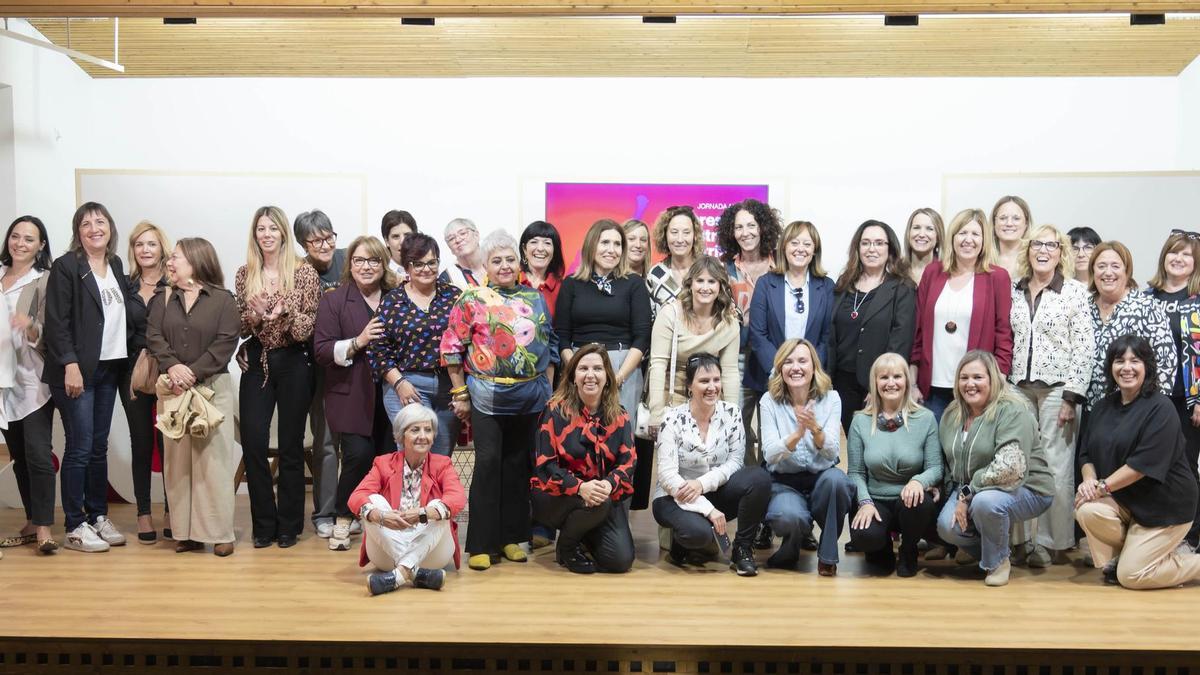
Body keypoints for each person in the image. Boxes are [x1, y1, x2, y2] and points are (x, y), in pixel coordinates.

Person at [441, 230, 559, 571]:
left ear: (518, 263)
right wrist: (460, 392)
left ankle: (511, 538)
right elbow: (451, 347)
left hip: (530, 399)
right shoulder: (472, 299)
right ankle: (481, 543)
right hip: (486, 398)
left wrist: (547, 389)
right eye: (497, 261)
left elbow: (549, 346)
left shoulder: (534, 297)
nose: (504, 266)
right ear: (486, 265)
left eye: (510, 259)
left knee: (518, 467)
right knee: (489, 465)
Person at [1075, 334, 1200, 589]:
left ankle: (1149, 563)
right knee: (1087, 510)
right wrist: (1089, 481)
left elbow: (1141, 465)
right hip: (1128, 502)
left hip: (1166, 506)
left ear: (1147, 367)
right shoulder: (1102, 407)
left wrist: (1101, 488)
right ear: (1111, 367)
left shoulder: (1161, 408)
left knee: (1131, 577)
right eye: (1120, 361)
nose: (1127, 368)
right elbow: (1086, 454)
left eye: (1135, 361)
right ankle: (1133, 556)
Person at [44, 202, 132, 552]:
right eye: (86, 223)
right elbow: (57, 321)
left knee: (98, 446)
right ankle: (75, 524)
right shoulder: (67, 267)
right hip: (76, 370)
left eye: (100, 221)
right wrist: (70, 364)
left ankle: (97, 515)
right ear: (77, 231)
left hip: (109, 368)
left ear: (110, 227)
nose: (94, 227)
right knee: (79, 447)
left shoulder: (116, 264)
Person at [145, 237, 240, 556]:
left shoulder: (224, 300)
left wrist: (192, 372)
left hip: (213, 389)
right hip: (173, 389)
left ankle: (220, 533)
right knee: (178, 465)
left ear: (197, 262)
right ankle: (186, 534)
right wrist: (173, 368)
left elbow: (226, 342)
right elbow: (154, 336)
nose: (169, 263)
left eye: (176, 258)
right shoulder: (163, 297)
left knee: (213, 463)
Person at [1008, 225, 1095, 567]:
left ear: (1062, 253)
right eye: (1037, 245)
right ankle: (1019, 541)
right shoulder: (1015, 290)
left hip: (1060, 389)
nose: (1043, 250)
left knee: (1056, 468)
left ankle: (1053, 542)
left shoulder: (1074, 292)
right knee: (1018, 463)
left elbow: (1084, 347)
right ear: (1028, 251)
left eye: (1051, 245)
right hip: (1018, 387)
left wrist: (1073, 396)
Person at [235, 205, 321, 549]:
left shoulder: (304, 273)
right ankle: (263, 525)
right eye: (260, 228)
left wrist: (286, 313)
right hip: (257, 361)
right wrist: (254, 317)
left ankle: (289, 525)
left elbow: (307, 329)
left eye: (272, 228)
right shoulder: (245, 274)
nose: (266, 234)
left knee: (290, 445)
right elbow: (240, 326)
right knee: (254, 443)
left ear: (283, 232)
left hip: (294, 361)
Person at [935, 350, 1055, 587]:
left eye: (978, 377)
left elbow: (1010, 468)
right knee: (946, 528)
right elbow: (949, 463)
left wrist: (968, 493)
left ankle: (998, 561)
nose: (970, 384)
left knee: (986, 503)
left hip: (1027, 487)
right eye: (964, 377)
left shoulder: (1013, 410)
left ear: (992, 379)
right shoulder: (951, 414)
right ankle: (987, 546)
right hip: (971, 489)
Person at [314, 236, 399, 552]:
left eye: (374, 260)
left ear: (383, 264)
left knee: (386, 458)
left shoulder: (396, 297)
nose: (366, 267)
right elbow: (321, 350)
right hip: (350, 393)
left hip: (390, 394)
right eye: (360, 260)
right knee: (358, 456)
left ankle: (379, 522)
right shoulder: (334, 301)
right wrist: (358, 340)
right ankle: (342, 518)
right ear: (350, 264)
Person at [652, 352, 771, 576]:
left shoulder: (732, 413)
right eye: (704, 381)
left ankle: (742, 549)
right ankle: (682, 542)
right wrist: (708, 509)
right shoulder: (671, 419)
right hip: (674, 497)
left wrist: (701, 484)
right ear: (689, 386)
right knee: (699, 535)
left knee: (759, 478)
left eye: (716, 380)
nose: (712, 387)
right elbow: (667, 477)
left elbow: (736, 461)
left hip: (713, 490)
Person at [530, 344, 637, 574]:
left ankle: (584, 534)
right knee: (600, 504)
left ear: (607, 377)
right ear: (573, 376)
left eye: (598, 369)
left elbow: (628, 463)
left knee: (620, 561)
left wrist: (608, 484)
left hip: (602, 495)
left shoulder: (620, 415)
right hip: (558, 497)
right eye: (583, 368)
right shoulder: (554, 411)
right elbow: (545, 466)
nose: (591, 375)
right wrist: (580, 488)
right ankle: (567, 547)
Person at [349, 403, 465, 596]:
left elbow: (457, 498)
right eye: (415, 430)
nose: (423, 436)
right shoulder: (383, 463)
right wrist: (382, 517)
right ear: (401, 436)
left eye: (428, 430)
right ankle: (415, 573)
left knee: (438, 506)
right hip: (387, 552)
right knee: (372, 502)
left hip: (432, 553)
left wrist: (422, 514)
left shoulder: (442, 464)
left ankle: (397, 576)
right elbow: (356, 497)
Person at [758, 339, 852, 576]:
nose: (796, 367)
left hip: (822, 480)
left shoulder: (831, 399)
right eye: (788, 362)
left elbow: (832, 452)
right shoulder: (768, 401)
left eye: (802, 361)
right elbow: (769, 454)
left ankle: (828, 555)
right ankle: (790, 548)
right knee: (789, 516)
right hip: (784, 483)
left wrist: (814, 428)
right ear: (780, 368)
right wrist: (797, 434)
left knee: (838, 482)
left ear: (813, 367)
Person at [910, 208, 1013, 422]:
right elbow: (918, 332)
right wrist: (912, 383)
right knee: (934, 455)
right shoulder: (933, 272)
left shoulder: (997, 277)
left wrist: (999, 378)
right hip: (933, 388)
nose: (968, 240)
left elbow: (1003, 332)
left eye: (975, 234)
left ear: (984, 240)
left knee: (971, 453)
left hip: (976, 388)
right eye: (962, 233)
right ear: (952, 238)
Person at [847, 353, 941, 577]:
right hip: (876, 499)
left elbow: (936, 468)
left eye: (897, 376)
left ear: (907, 381)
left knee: (920, 503)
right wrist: (865, 502)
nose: (891, 383)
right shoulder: (860, 420)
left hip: (909, 501)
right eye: (884, 377)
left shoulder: (926, 418)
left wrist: (919, 481)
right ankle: (882, 549)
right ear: (875, 383)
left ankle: (909, 549)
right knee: (865, 537)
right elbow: (856, 472)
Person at [369, 233, 462, 457]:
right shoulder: (392, 300)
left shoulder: (453, 296)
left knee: (441, 457)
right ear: (407, 266)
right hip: (407, 386)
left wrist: (462, 392)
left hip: (448, 387)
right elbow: (378, 349)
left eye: (432, 262)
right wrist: (399, 383)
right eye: (418, 264)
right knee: (415, 454)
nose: (426, 269)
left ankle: (434, 495)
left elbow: (465, 341)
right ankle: (410, 494)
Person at [555, 219, 651, 432]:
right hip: (579, 366)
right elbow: (561, 336)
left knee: (620, 439)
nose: (612, 250)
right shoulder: (571, 284)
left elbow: (642, 336)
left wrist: (618, 378)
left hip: (623, 367)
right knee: (578, 438)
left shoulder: (634, 284)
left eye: (617, 244)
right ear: (592, 245)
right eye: (605, 242)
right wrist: (577, 371)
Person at [0, 216, 56, 553]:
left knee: (37, 454)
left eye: (29, 239)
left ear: (41, 246)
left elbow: (49, 331)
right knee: (19, 455)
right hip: (2, 382)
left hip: (32, 379)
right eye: (16, 236)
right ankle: (33, 518)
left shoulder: (44, 281)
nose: (20, 243)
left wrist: (30, 325)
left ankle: (45, 529)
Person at [828, 220, 916, 433]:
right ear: (857, 248)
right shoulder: (843, 283)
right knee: (853, 441)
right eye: (865, 243)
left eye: (879, 243)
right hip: (842, 382)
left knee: (877, 444)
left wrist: (880, 384)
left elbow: (900, 339)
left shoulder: (901, 287)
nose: (872, 249)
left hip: (878, 383)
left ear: (890, 248)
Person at [1144, 229, 1200, 548]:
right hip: (1152, 400)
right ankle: (1157, 533)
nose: (1178, 259)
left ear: (1195, 263)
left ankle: (1190, 536)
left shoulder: (1198, 300)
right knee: (1153, 466)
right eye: (1173, 252)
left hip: (1187, 400)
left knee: (1186, 467)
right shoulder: (1146, 297)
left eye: (1187, 255)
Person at [647, 256, 740, 441]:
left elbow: (730, 372)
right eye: (700, 280)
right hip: (672, 393)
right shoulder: (670, 314)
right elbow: (657, 364)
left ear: (720, 286)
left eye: (711, 281)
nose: (705, 287)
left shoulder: (728, 323)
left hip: (709, 395)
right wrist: (656, 413)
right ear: (690, 284)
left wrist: (731, 415)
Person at [294, 209, 345, 540]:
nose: (325, 244)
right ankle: (324, 512)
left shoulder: (348, 259)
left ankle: (353, 509)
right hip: (319, 368)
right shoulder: (299, 272)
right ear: (303, 244)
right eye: (316, 240)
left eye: (329, 236)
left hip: (355, 364)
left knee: (357, 444)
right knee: (326, 443)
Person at [746, 220, 834, 409]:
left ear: (814, 251)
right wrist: (779, 370)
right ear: (784, 247)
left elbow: (827, 337)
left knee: (809, 435)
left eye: (807, 244)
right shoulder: (765, 283)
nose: (800, 249)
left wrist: (809, 371)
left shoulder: (826, 286)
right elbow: (758, 334)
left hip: (811, 383)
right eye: (794, 242)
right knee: (772, 438)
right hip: (771, 379)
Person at [121, 220, 170, 544]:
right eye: (139, 244)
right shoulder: (123, 286)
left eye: (151, 244)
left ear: (162, 248)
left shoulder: (175, 284)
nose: (145, 250)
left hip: (168, 368)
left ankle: (172, 510)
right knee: (141, 443)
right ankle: (143, 513)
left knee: (170, 443)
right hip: (132, 371)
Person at [1085, 241, 1175, 411]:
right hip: (1090, 410)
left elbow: (1166, 361)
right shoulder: (1083, 307)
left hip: (1135, 409)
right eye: (1101, 266)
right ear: (1093, 271)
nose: (1108, 272)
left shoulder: (1146, 306)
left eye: (1115, 266)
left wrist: (1151, 408)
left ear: (1127, 271)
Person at [646, 205, 705, 320]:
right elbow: (648, 320)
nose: (680, 239)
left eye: (686, 232)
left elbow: (731, 312)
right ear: (665, 235)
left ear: (695, 236)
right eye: (674, 232)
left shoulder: (709, 269)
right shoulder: (655, 275)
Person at [518, 220, 565, 319]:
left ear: (554, 251)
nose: (540, 248)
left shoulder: (562, 288)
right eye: (534, 242)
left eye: (547, 243)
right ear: (524, 249)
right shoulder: (512, 280)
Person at [992, 196, 1033, 279]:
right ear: (994, 223)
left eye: (1016, 218)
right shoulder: (982, 261)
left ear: (1026, 224)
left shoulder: (1035, 261)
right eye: (1003, 218)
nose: (1009, 223)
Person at [439, 218, 486, 289]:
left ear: (476, 235)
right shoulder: (447, 278)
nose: (458, 240)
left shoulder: (498, 263)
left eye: (463, 233)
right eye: (451, 239)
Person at [904, 208, 944, 286]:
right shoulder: (896, 271)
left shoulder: (945, 272)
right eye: (916, 228)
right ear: (908, 233)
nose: (922, 234)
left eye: (929, 229)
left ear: (938, 237)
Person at [381, 209, 418, 277]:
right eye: (396, 236)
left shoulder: (427, 270)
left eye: (407, 235)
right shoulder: (381, 274)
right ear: (386, 241)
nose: (402, 242)